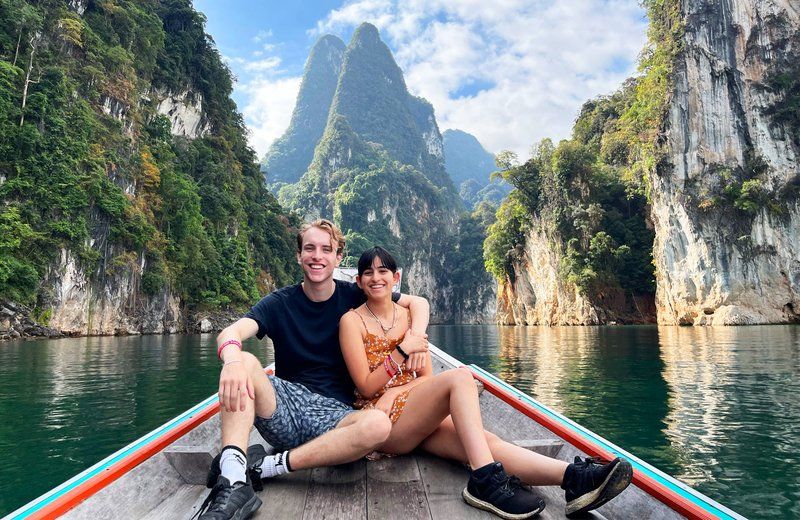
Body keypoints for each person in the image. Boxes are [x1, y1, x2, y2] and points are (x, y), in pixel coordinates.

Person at [339, 246, 633, 519]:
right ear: (359, 281)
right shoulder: (352, 321)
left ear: (396, 277)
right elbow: (365, 387)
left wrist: (399, 387)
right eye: (368, 273)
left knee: (483, 441)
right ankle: (484, 483)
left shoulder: (410, 319)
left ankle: (573, 479)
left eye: (383, 271)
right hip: (381, 422)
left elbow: (426, 379)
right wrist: (402, 352)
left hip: (412, 411)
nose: (376, 278)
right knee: (461, 377)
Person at [194, 220, 431, 520]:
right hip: (286, 408)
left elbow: (418, 303)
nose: (317, 256)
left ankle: (267, 466)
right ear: (299, 255)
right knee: (245, 362)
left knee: (377, 426)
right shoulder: (279, 302)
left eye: (325, 250)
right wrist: (231, 360)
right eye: (310, 248)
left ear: (337, 258)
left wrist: (415, 337)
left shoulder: (354, 294)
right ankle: (233, 479)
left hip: (337, 416)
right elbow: (231, 332)